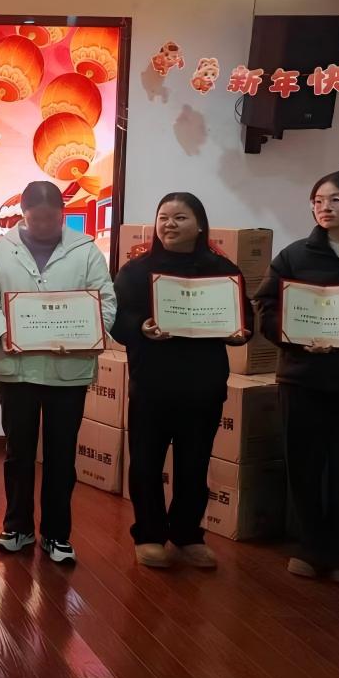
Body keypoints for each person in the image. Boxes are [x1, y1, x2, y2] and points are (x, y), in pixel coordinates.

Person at [0, 181, 115, 565]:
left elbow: (105, 301)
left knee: (61, 455)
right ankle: (17, 527)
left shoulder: (85, 250)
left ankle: (57, 534)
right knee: (18, 452)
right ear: (23, 215)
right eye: (34, 219)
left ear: (62, 214)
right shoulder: (1, 251)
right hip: (16, 368)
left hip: (68, 369)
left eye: (51, 219)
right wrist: (4, 333)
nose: (42, 226)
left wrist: (86, 335)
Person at [257, 170, 339, 585]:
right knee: (304, 464)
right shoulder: (295, 255)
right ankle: (311, 547)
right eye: (317, 201)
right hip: (303, 377)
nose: (324, 208)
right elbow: (267, 308)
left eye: (335, 199)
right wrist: (293, 337)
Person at [112, 193, 251, 569]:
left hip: (203, 385)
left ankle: (188, 534)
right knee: (146, 464)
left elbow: (245, 320)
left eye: (180, 218)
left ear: (200, 224)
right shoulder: (136, 271)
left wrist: (239, 333)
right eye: (163, 217)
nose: (170, 224)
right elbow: (117, 320)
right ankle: (149, 535)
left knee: (194, 464)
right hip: (152, 383)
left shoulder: (223, 270)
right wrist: (141, 327)